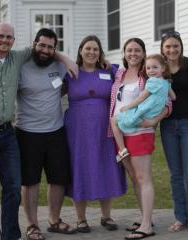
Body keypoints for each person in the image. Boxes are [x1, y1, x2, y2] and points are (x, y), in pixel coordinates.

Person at [0, 22, 77, 240]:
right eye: (1, 36)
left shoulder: (19, 59)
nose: (5, 40)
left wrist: (64, 58)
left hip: (18, 133)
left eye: (9, 37)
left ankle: (11, 234)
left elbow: (52, 56)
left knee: (14, 187)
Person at [15, 28, 76, 239]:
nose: (45, 50)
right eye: (41, 45)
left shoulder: (59, 65)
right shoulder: (20, 66)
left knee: (58, 179)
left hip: (56, 131)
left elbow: (68, 81)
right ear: (34, 44)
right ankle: (32, 225)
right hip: (27, 132)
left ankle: (54, 220)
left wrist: (62, 57)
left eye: (50, 47)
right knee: (30, 181)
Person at [64, 35, 127, 233]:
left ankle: (106, 217)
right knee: (79, 167)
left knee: (105, 165)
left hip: (105, 128)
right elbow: (50, 91)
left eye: (96, 49)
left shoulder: (110, 71)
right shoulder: (70, 72)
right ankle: (81, 219)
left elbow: (133, 73)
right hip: (77, 130)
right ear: (81, 50)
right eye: (88, 48)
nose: (92, 52)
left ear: (100, 53)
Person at [109, 38, 171, 240]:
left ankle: (146, 226)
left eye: (137, 50)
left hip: (139, 131)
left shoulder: (150, 75)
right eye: (129, 50)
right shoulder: (119, 73)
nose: (133, 53)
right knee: (135, 178)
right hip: (121, 131)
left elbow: (168, 101)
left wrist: (153, 121)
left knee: (143, 178)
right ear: (124, 53)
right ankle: (146, 218)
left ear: (143, 53)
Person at [159, 31, 188, 233]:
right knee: (175, 174)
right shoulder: (159, 69)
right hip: (167, 126)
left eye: (175, 45)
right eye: (168, 46)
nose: (172, 49)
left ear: (181, 47)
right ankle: (180, 217)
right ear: (162, 49)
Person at [110, 53, 175, 162]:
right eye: (148, 68)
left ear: (163, 68)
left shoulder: (152, 82)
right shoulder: (166, 83)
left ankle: (122, 150)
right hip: (152, 114)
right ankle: (124, 148)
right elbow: (173, 97)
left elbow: (141, 98)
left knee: (113, 120)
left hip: (143, 113)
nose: (151, 70)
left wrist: (127, 107)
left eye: (155, 67)